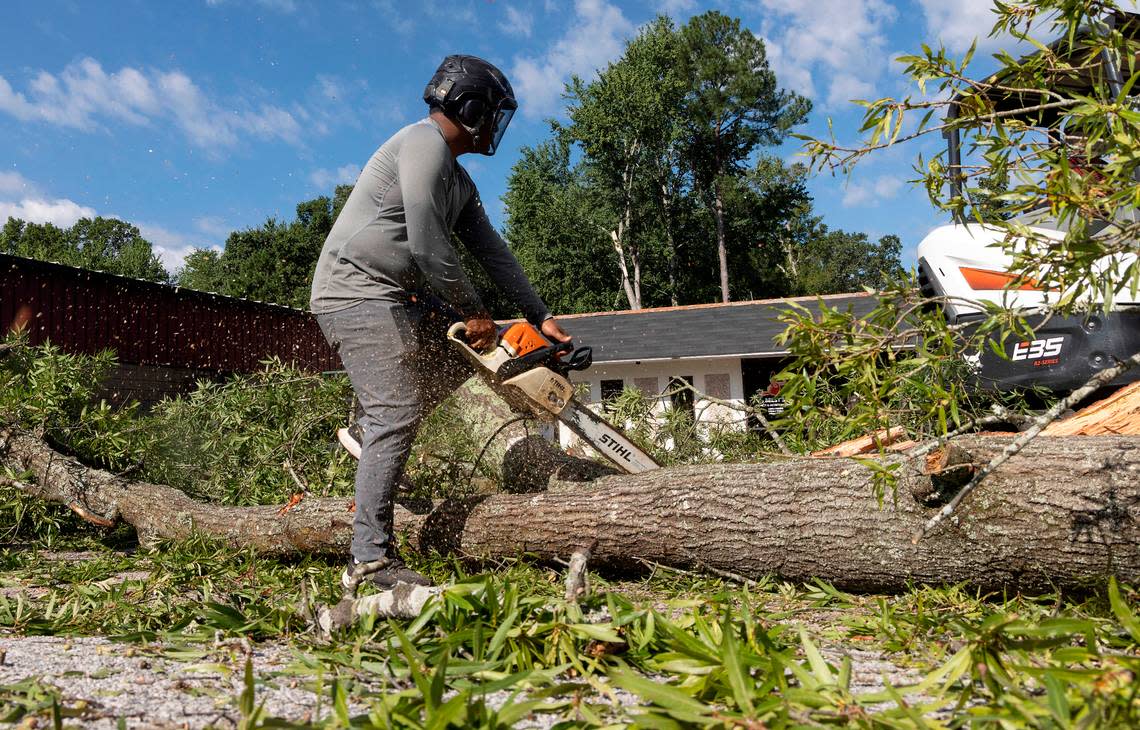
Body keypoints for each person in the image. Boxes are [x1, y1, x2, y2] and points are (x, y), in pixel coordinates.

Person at [309, 55, 570, 588]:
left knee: (469, 349)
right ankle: (369, 560)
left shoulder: (460, 182)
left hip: (398, 295)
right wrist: (476, 311)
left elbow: (492, 252)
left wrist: (541, 318)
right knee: (400, 406)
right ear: (470, 106)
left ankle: (372, 427)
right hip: (355, 291)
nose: (495, 125)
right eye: (491, 113)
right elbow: (428, 243)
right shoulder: (422, 143)